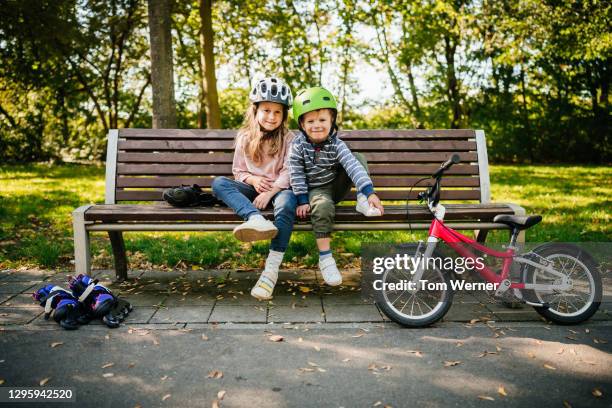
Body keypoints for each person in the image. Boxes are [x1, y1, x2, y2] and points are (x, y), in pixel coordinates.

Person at [289, 86, 384, 286]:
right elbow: (295, 174)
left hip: (336, 186)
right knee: (322, 206)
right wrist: (302, 200)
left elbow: (351, 166)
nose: (317, 125)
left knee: (356, 158)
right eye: (311, 121)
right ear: (302, 124)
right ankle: (326, 258)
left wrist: (369, 193)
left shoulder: (336, 144)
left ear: (332, 121)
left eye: (322, 120)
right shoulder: (297, 146)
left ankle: (362, 201)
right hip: (316, 190)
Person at [212, 77, 297, 300]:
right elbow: (238, 171)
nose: (271, 116)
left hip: (280, 190)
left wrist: (270, 191)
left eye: (277, 112)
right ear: (255, 110)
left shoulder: (290, 139)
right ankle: (255, 219)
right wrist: (253, 181)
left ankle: (270, 271)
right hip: (253, 191)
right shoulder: (245, 138)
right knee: (219, 183)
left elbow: (290, 172)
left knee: (288, 201)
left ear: (284, 115)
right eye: (266, 110)